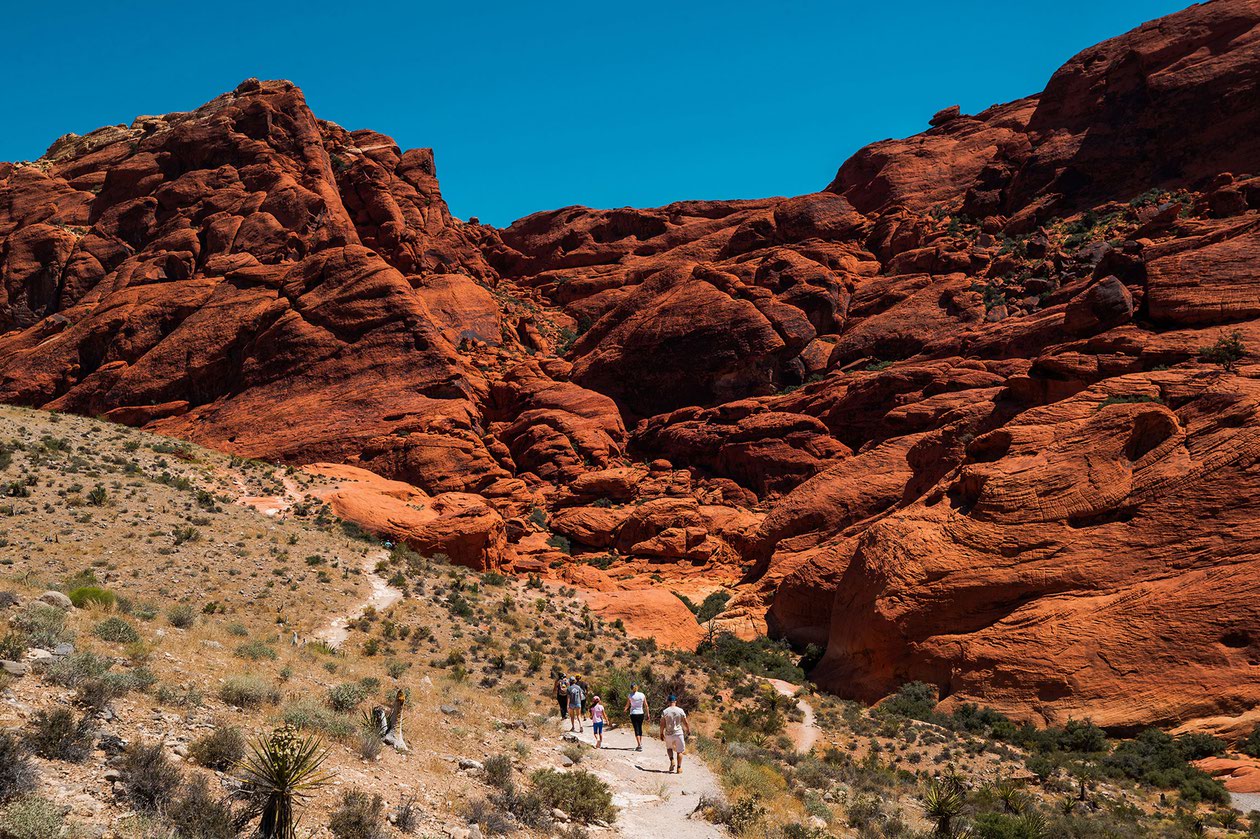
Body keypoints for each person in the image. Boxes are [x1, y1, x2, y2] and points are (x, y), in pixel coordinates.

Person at [659, 694, 690, 774]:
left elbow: (662, 724)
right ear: (675, 701)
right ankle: (679, 768)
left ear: (668, 702)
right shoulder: (680, 710)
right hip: (678, 733)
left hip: (669, 733)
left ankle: (672, 760)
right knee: (680, 751)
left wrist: (661, 733)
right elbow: (685, 722)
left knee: (669, 748)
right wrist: (688, 730)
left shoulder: (665, 711)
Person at [625, 683, 649, 751]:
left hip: (633, 713)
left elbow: (627, 705)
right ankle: (640, 743)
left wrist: (625, 710)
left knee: (636, 729)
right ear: (637, 687)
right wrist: (648, 714)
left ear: (631, 688)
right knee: (640, 728)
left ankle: (639, 745)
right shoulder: (642, 695)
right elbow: (646, 705)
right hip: (641, 713)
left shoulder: (630, 695)